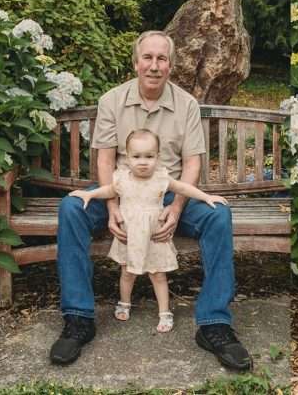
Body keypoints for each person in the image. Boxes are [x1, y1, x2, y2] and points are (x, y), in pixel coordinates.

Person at [51, 31, 252, 371]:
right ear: (136, 62)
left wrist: (175, 210)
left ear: (171, 66)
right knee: (71, 208)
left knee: (218, 215)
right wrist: (113, 207)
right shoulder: (112, 101)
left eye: (161, 59)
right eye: (148, 57)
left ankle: (214, 323)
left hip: (167, 192)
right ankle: (78, 318)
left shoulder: (186, 104)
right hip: (121, 188)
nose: (154, 65)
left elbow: (191, 163)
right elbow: (104, 159)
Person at [68, 129, 229, 333]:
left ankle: (164, 312)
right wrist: (89, 195)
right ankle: (124, 303)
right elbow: (108, 191)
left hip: (154, 235)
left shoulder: (161, 179)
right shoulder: (122, 179)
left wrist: (206, 197)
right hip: (131, 235)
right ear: (127, 158)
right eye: (136, 157)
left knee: (158, 274)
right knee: (126, 272)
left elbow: (184, 188)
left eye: (149, 156)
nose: (143, 162)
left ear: (158, 157)